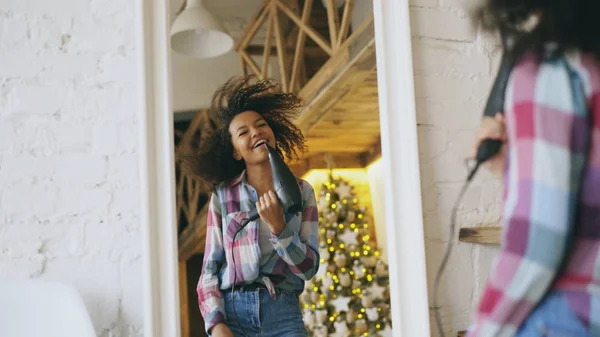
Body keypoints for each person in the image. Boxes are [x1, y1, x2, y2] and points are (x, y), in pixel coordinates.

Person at [467, 0, 600, 336]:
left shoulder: (548, 70)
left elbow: (536, 247)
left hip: (572, 316)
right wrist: (510, 169)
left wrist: (484, 330)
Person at [184, 76, 319, 337]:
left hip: (284, 315)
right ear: (236, 151)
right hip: (233, 314)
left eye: (261, 126)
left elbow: (309, 268)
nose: (256, 132)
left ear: (273, 135)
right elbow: (209, 271)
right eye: (243, 132)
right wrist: (216, 323)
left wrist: (280, 228)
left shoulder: (302, 192)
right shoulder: (223, 197)